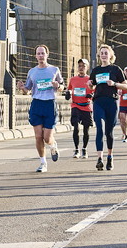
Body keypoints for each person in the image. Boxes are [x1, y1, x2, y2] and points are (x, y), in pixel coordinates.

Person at [19, 45, 64, 173]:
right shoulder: (32, 72)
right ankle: (43, 163)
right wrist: (22, 87)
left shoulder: (54, 70)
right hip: (37, 104)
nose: (40, 56)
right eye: (38, 54)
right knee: (38, 137)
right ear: (35, 56)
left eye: (42, 53)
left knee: (47, 137)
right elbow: (27, 91)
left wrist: (58, 86)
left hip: (50, 104)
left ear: (47, 55)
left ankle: (53, 145)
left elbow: (62, 86)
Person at [89, 45, 124, 171]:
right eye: (101, 53)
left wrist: (114, 84)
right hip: (98, 101)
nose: (103, 55)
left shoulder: (115, 69)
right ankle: (100, 158)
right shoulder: (95, 70)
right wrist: (90, 85)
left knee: (109, 132)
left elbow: (125, 86)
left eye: (106, 53)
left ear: (110, 55)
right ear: (99, 55)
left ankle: (110, 156)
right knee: (100, 129)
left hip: (112, 102)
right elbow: (91, 86)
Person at [68, 58, 93, 158]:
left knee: (86, 130)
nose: (81, 68)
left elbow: (94, 90)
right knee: (76, 128)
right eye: (79, 66)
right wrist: (68, 93)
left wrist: (91, 95)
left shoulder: (90, 79)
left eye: (83, 66)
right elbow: (70, 89)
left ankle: (84, 149)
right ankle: (76, 149)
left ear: (87, 67)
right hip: (76, 105)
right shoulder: (73, 79)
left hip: (86, 106)